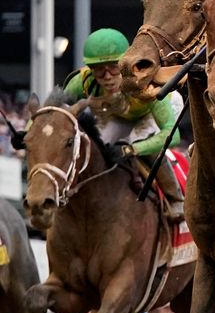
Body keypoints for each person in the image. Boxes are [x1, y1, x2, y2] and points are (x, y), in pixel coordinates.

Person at [62, 28, 186, 222]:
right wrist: (26, 131)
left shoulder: (145, 83)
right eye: (98, 69)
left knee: (141, 140)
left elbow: (173, 135)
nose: (107, 76)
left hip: (158, 110)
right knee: (98, 146)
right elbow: (53, 109)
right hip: (122, 115)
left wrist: (132, 149)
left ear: (124, 63)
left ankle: (175, 198)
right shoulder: (82, 81)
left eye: (113, 67)